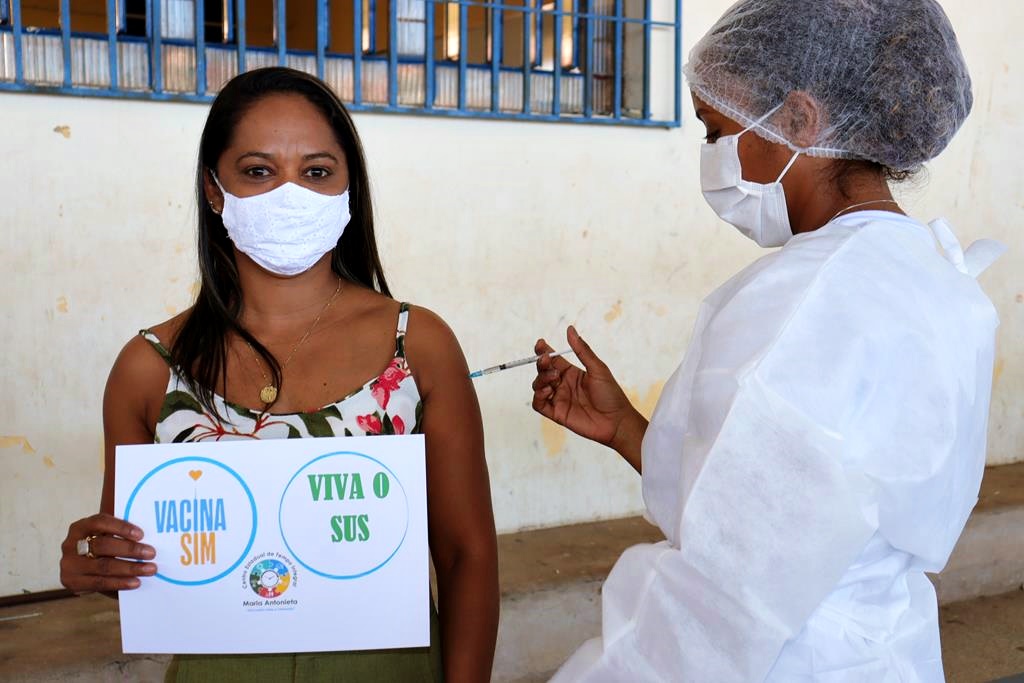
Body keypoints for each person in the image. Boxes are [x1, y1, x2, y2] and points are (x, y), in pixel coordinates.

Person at [532, 1, 1003, 680]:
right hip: (889, 651)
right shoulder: (937, 280)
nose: (711, 155)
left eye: (717, 128)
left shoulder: (805, 300)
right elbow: (787, 500)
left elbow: (720, 597)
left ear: (799, 119)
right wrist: (628, 430)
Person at [58, 66, 499, 682]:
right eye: (258, 171)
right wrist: (93, 563)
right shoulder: (150, 369)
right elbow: (138, 564)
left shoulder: (417, 345)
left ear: (349, 188)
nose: (290, 191)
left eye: (316, 171)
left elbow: (465, 556)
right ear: (215, 190)